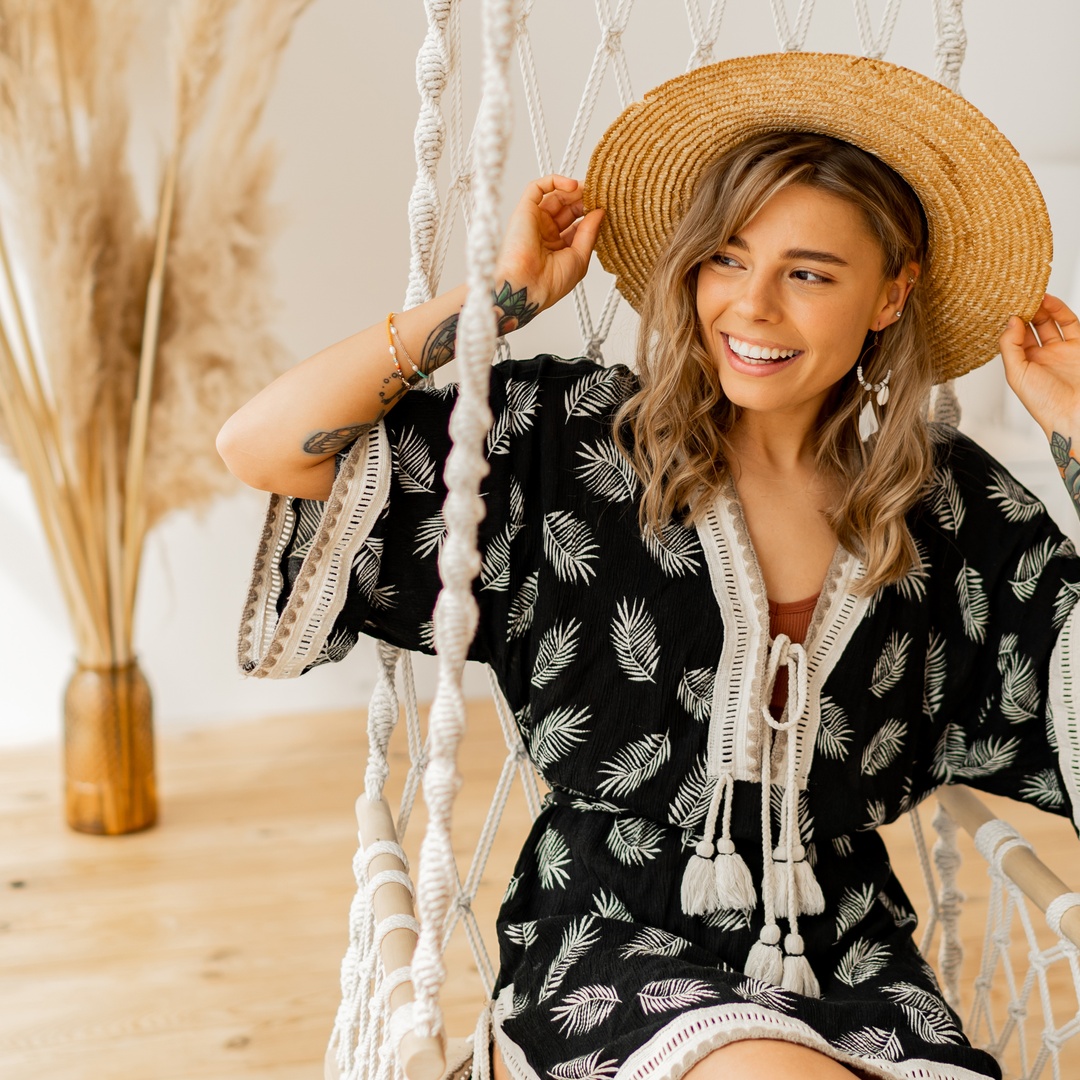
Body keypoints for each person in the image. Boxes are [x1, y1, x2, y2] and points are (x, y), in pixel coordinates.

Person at [218, 52, 1080, 1080]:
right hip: (610, 936)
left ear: (891, 296)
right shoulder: (571, 443)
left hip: (855, 958)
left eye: (808, 273)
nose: (752, 306)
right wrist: (490, 305)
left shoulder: (943, 506)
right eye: (727, 257)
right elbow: (262, 445)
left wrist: (1076, 432)